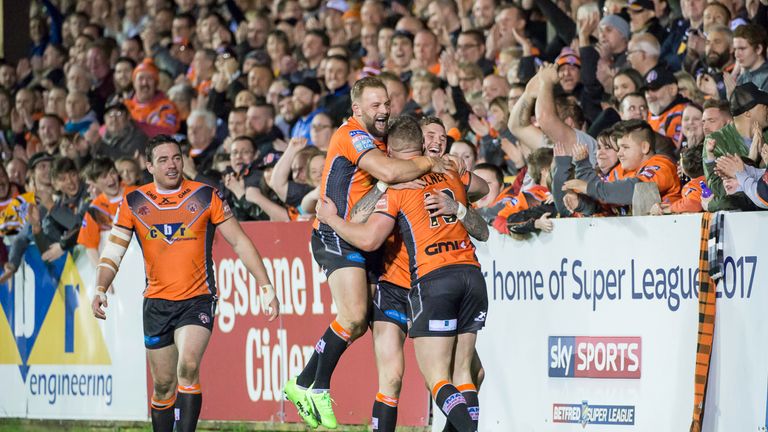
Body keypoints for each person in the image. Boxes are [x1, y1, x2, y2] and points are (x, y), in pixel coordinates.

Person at [283, 77, 450, 430]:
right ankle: (319, 387)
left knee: (357, 323)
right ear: (357, 109)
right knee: (355, 315)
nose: (384, 110)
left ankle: (301, 383)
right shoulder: (352, 134)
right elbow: (389, 171)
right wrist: (428, 164)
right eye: (375, 105)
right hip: (336, 234)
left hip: (360, 237)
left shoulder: (379, 137)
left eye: (386, 103)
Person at [90, 135, 280, 432]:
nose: (172, 165)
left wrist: (266, 286)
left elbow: (241, 242)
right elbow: (113, 251)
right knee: (164, 386)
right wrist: (100, 288)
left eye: (176, 158)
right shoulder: (134, 202)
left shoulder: (206, 196)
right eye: (163, 160)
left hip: (198, 299)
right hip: (156, 303)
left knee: (188, 367)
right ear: (150, 166)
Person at [315, 115, 488, 432]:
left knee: (466, 374)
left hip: (433, 282)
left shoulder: (447, 171)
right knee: (393, 378)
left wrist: (456, 171)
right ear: (418, 143)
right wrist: (389, 180)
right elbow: (358, 215)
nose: (437, 142)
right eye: (431, 136)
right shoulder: (393, 179)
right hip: (398, 286)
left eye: (442, 138)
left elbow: (483, 187)